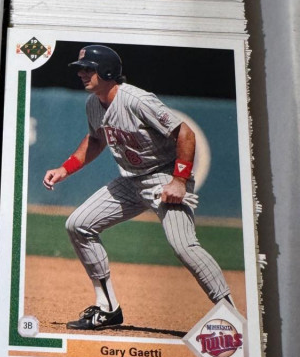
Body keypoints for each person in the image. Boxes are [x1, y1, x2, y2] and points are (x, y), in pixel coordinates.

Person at [43, 44, 235, 330]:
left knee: (183, 246)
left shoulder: (136, 100)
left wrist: (179, 180)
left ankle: (231, 315)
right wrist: (65, 168)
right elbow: (96, 139)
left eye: (87, 69)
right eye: (80, 69)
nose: (81, 73)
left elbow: (185, 133)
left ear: (107, 71)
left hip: (163, 176)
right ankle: (108, 308)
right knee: (78, 225)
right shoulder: (93, 103)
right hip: (131, 180)